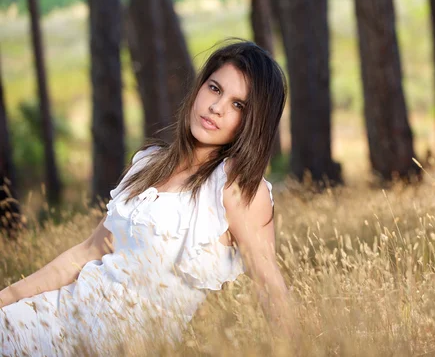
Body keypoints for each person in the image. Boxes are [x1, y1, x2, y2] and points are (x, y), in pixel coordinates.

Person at [0, 40, 291, 355]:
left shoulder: (236, 188)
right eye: (215, 89)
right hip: (52, 320)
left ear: (252, 123)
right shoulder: (148, 162)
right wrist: (6, 297)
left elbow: (269, 287)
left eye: (239, 105)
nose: (216, 107)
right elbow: (86, 253)